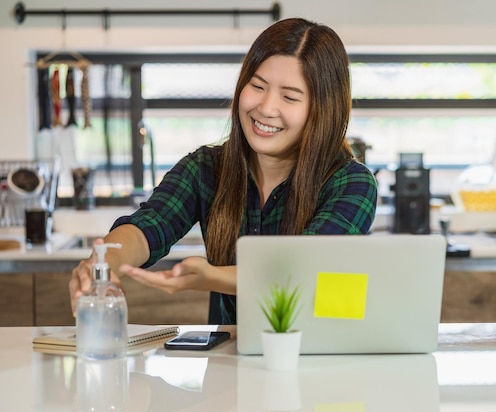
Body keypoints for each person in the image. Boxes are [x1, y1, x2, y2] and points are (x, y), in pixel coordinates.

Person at [69, 17, 378, 324]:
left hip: (319, 363)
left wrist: (212, 277)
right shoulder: (205, 169)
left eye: (289, 96)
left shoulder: (351, 182)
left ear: (323, 109)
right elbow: (150, 224)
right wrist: (107, 261)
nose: (266, 107)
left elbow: (306, 267)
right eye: (257, 86)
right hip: (229, 364)